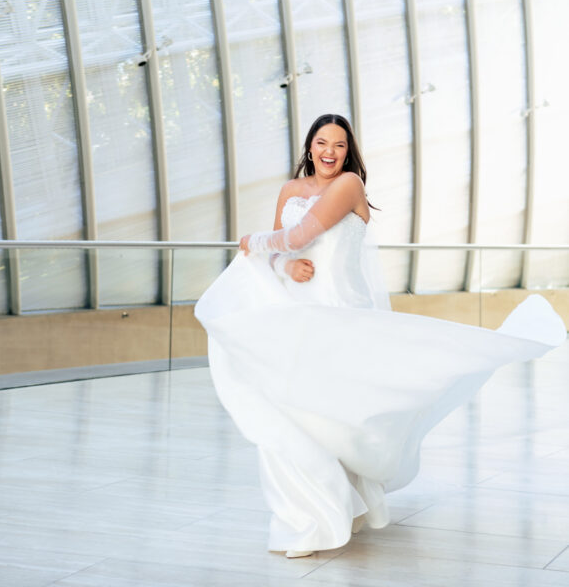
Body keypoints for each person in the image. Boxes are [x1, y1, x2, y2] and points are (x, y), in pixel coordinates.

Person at [195, 113, 565, 559]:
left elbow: (298, 234)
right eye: (321, 142)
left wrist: (254, 241)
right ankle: (310, 518)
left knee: (337, 415)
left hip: (340, 317)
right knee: (291, 414)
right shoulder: (290, 191)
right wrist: (285, 265)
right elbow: (287, 251)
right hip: (295, 314)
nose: (329, 152)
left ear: (348, 151)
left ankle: (341, 506)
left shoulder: (348, 184)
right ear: (309, 146)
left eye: (338, 144)